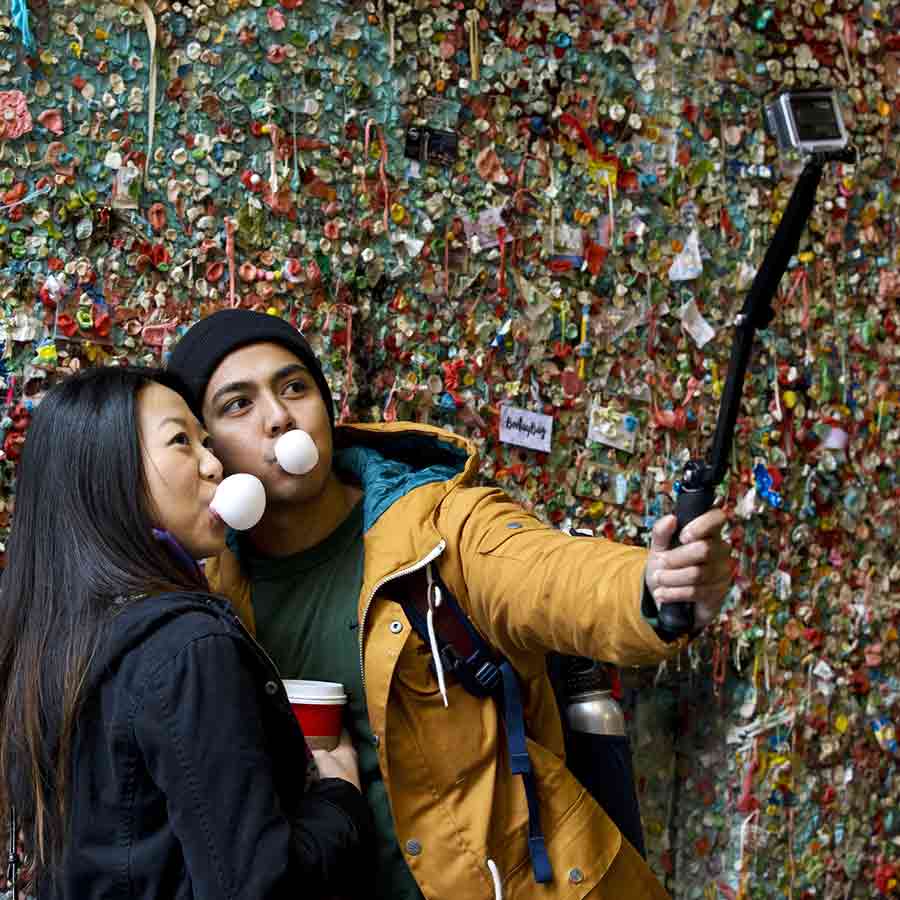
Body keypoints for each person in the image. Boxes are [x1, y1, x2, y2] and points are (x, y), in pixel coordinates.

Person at [167, 309, 733, 900]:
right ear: (208, 453)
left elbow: (547, 572)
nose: (279, 417)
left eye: (294, 387)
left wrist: (653, 584)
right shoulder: (209, 596)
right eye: (238, 405)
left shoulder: (440, 524)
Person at [0, 366, 372, 899]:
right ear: (108, 474)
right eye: (181, 441)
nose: (214, 463)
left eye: (206, 441)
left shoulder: (48, 638)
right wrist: (339, 800)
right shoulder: (189, 648)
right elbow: (261, 888)